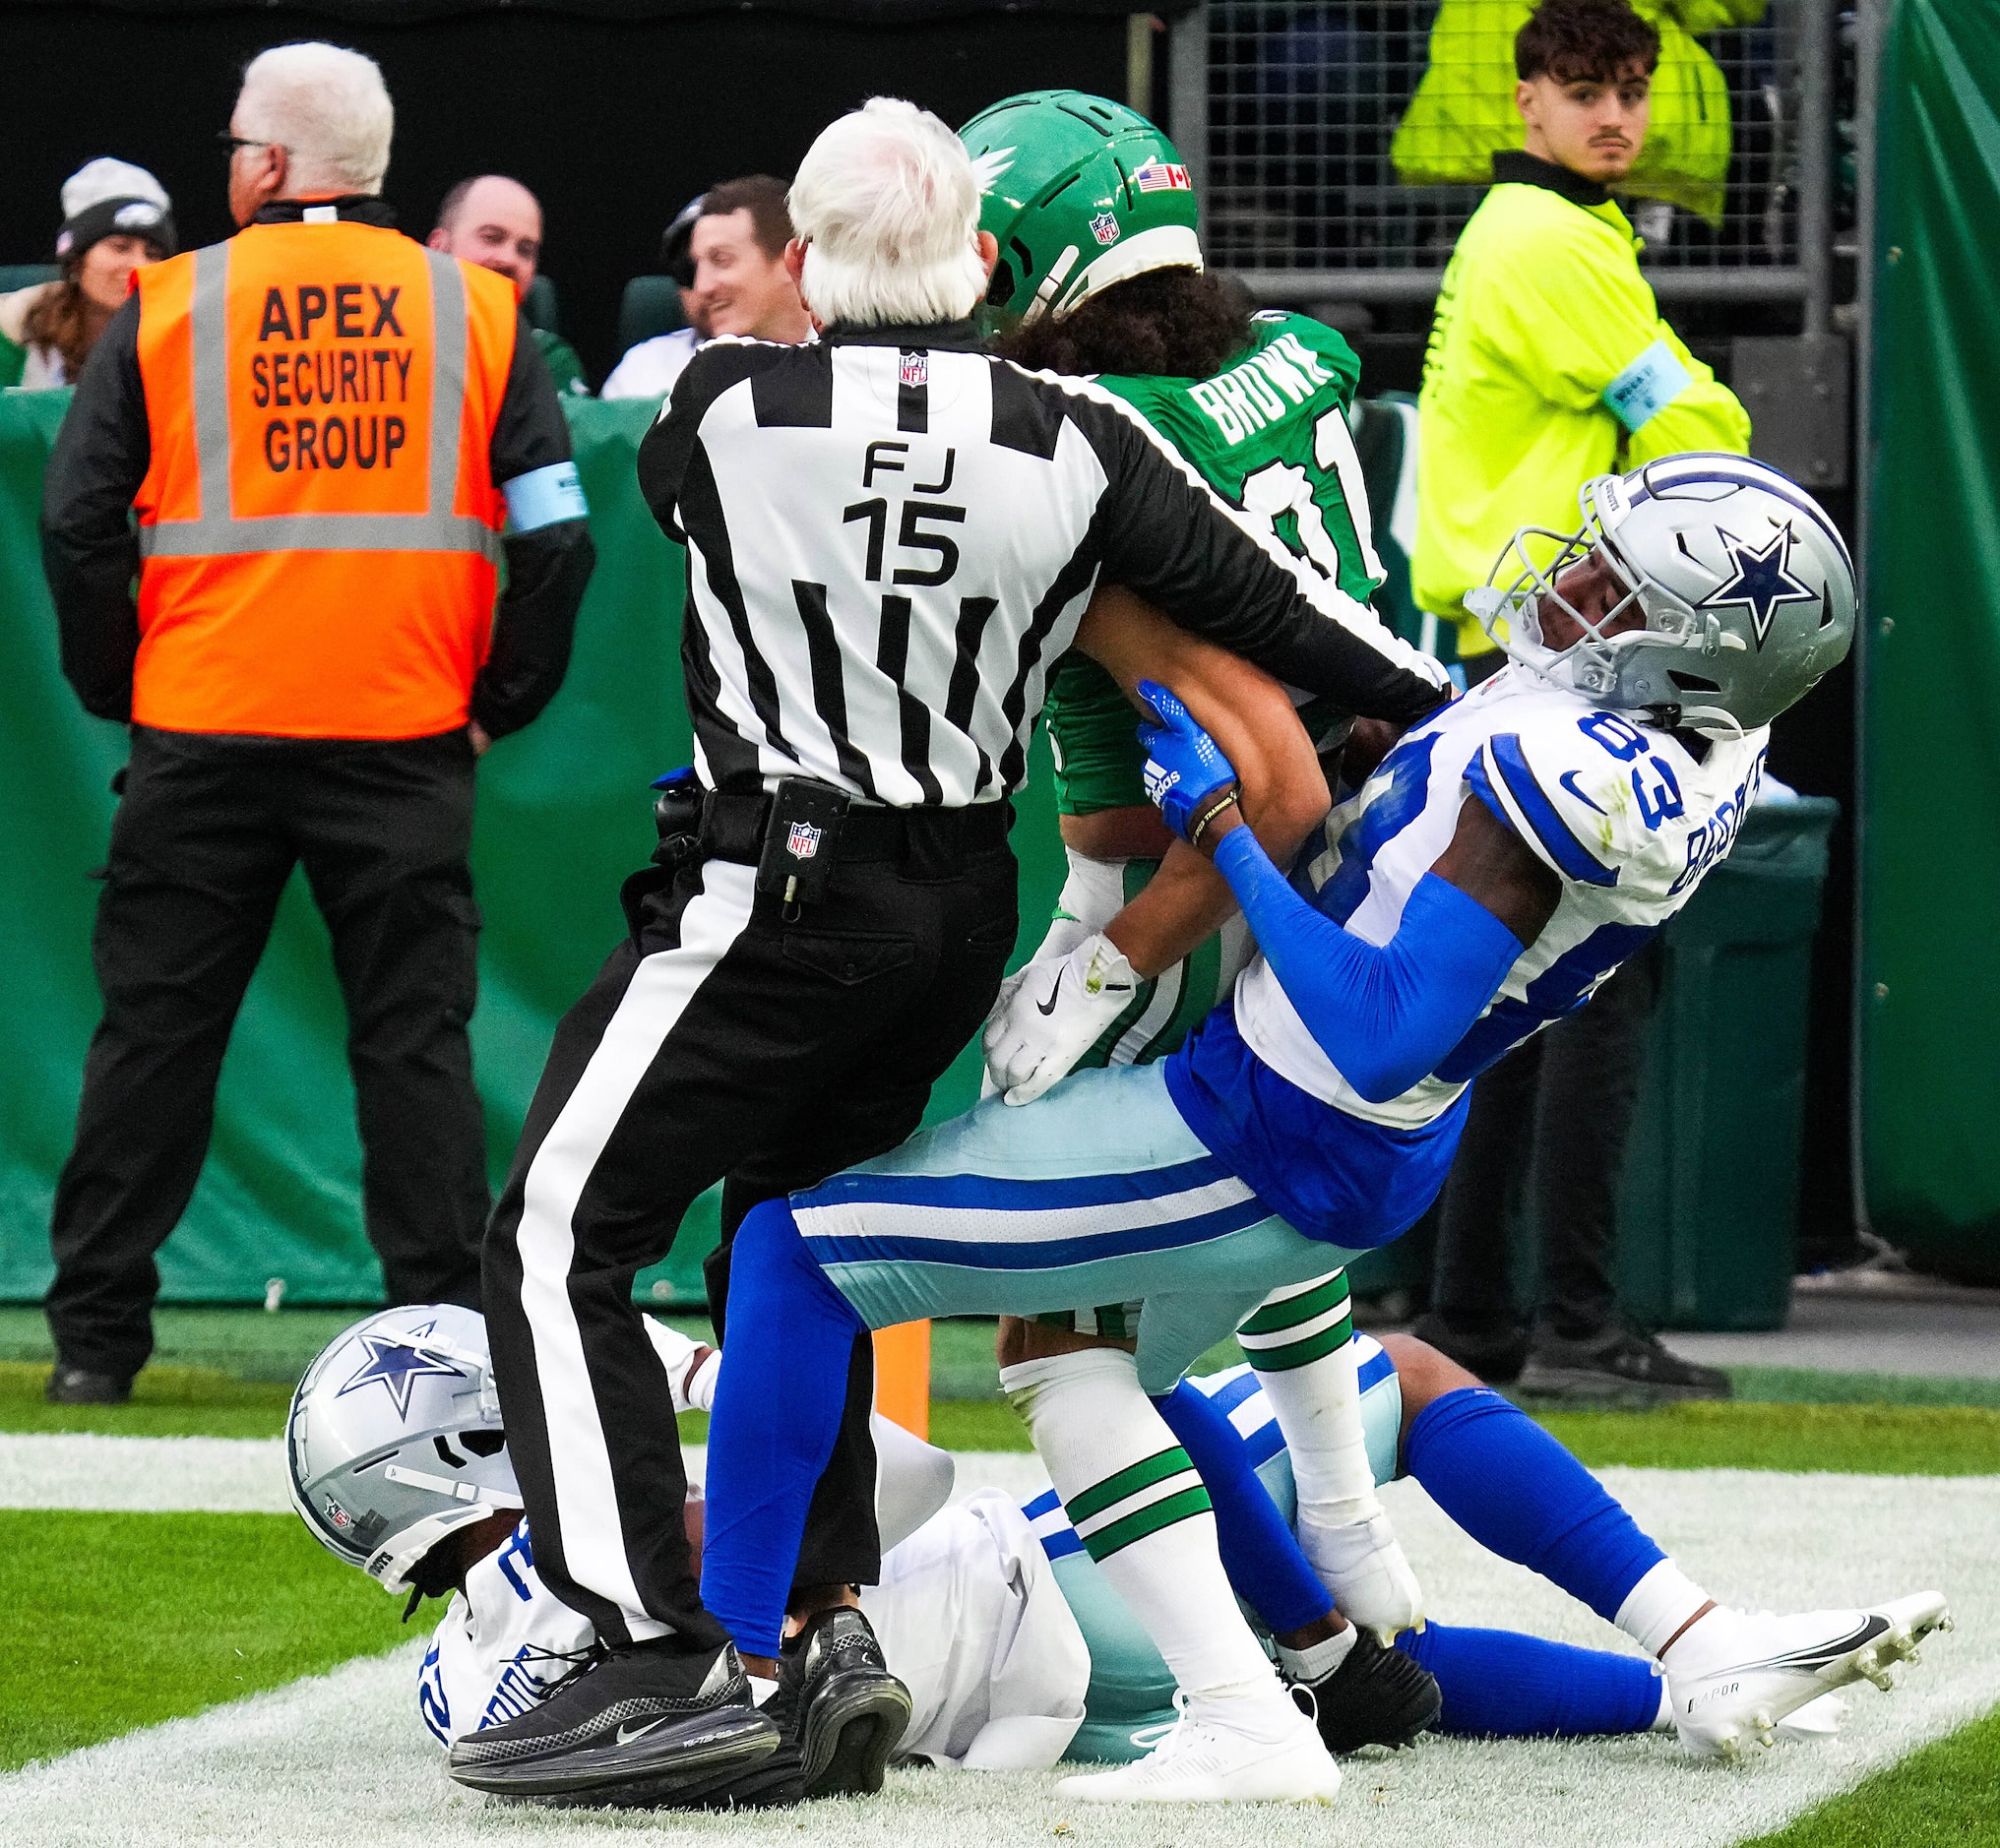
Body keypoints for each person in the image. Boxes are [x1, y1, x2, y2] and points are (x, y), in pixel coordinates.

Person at [470, 92, 1451, 1815]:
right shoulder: (1068, 432)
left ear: (799, 265)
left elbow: (731, 444)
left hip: (770, 890)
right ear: (982, 260)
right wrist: (1469, 701)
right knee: (793, 1244)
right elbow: (1311, 628)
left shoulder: (711, 402)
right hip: (954, 911)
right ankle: (823, 1613)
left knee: (559, 1232)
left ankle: (647, 1638)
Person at [684, 452, 1864, 1807]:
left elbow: (1379, 1020)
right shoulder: (1692, 736)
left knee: (793, 1249)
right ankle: (1415, 1653)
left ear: (1691, 659)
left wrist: (1224, 831)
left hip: (1272, 1126)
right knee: (1100, 1353)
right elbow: (1431, 844)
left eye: (1618, 585)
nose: (1573, 580)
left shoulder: (1572, 769)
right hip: (1353, 1139)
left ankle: (736, 1672)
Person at [286, 1307, 1934, 1776]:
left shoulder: (466, 1672)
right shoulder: (578, 1553)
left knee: (1380, 1680)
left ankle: (1674, 1702)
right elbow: (904, 1481)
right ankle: (1690, 1632)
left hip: (1060, 1699)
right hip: (1047, 1584)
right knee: (1389, 1373)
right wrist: (703, 1363)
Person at [36, 41, 595, 1406]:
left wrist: (124, 684)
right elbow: (562, 540)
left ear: (272, 165)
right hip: (404, 740)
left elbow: (73, 520)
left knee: (154, 1042)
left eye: (237, 145)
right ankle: (447, 1349)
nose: (229, 165)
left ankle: (95, 1347)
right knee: (411, 1047)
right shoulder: (474, 310)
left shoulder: (171, 304)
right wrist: (492, 705)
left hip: (202, 732)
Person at [1409, 0, 1754, 1402]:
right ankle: (1572, 1324)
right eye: (1585, 91)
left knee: (1512, 992)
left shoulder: (1533, 235)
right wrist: (1708, 421)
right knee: (1598, 984)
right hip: (1562, 654)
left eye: (1632, 92)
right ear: (1526, 101)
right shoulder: (1553, 244)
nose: (1615, 116)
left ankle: (1482, 1320)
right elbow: (1701, 430)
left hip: (1518, 647)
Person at [599, 177, 812, 400]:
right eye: (688, 271)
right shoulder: (645, 374)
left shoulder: (846, 359)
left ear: (793, 262)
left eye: (721, 260)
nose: (702, 287)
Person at [0, 159, 174, 390]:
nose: (140, 266)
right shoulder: (17, 326)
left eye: (152, 254)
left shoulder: (179, 335)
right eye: (120, 247)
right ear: (75, 261)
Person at [428, 174, 590, 396]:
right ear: (438, 247)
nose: (509, 259)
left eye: (525, 250)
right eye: (492, 237)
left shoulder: (547, 357)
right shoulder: (389, 340)